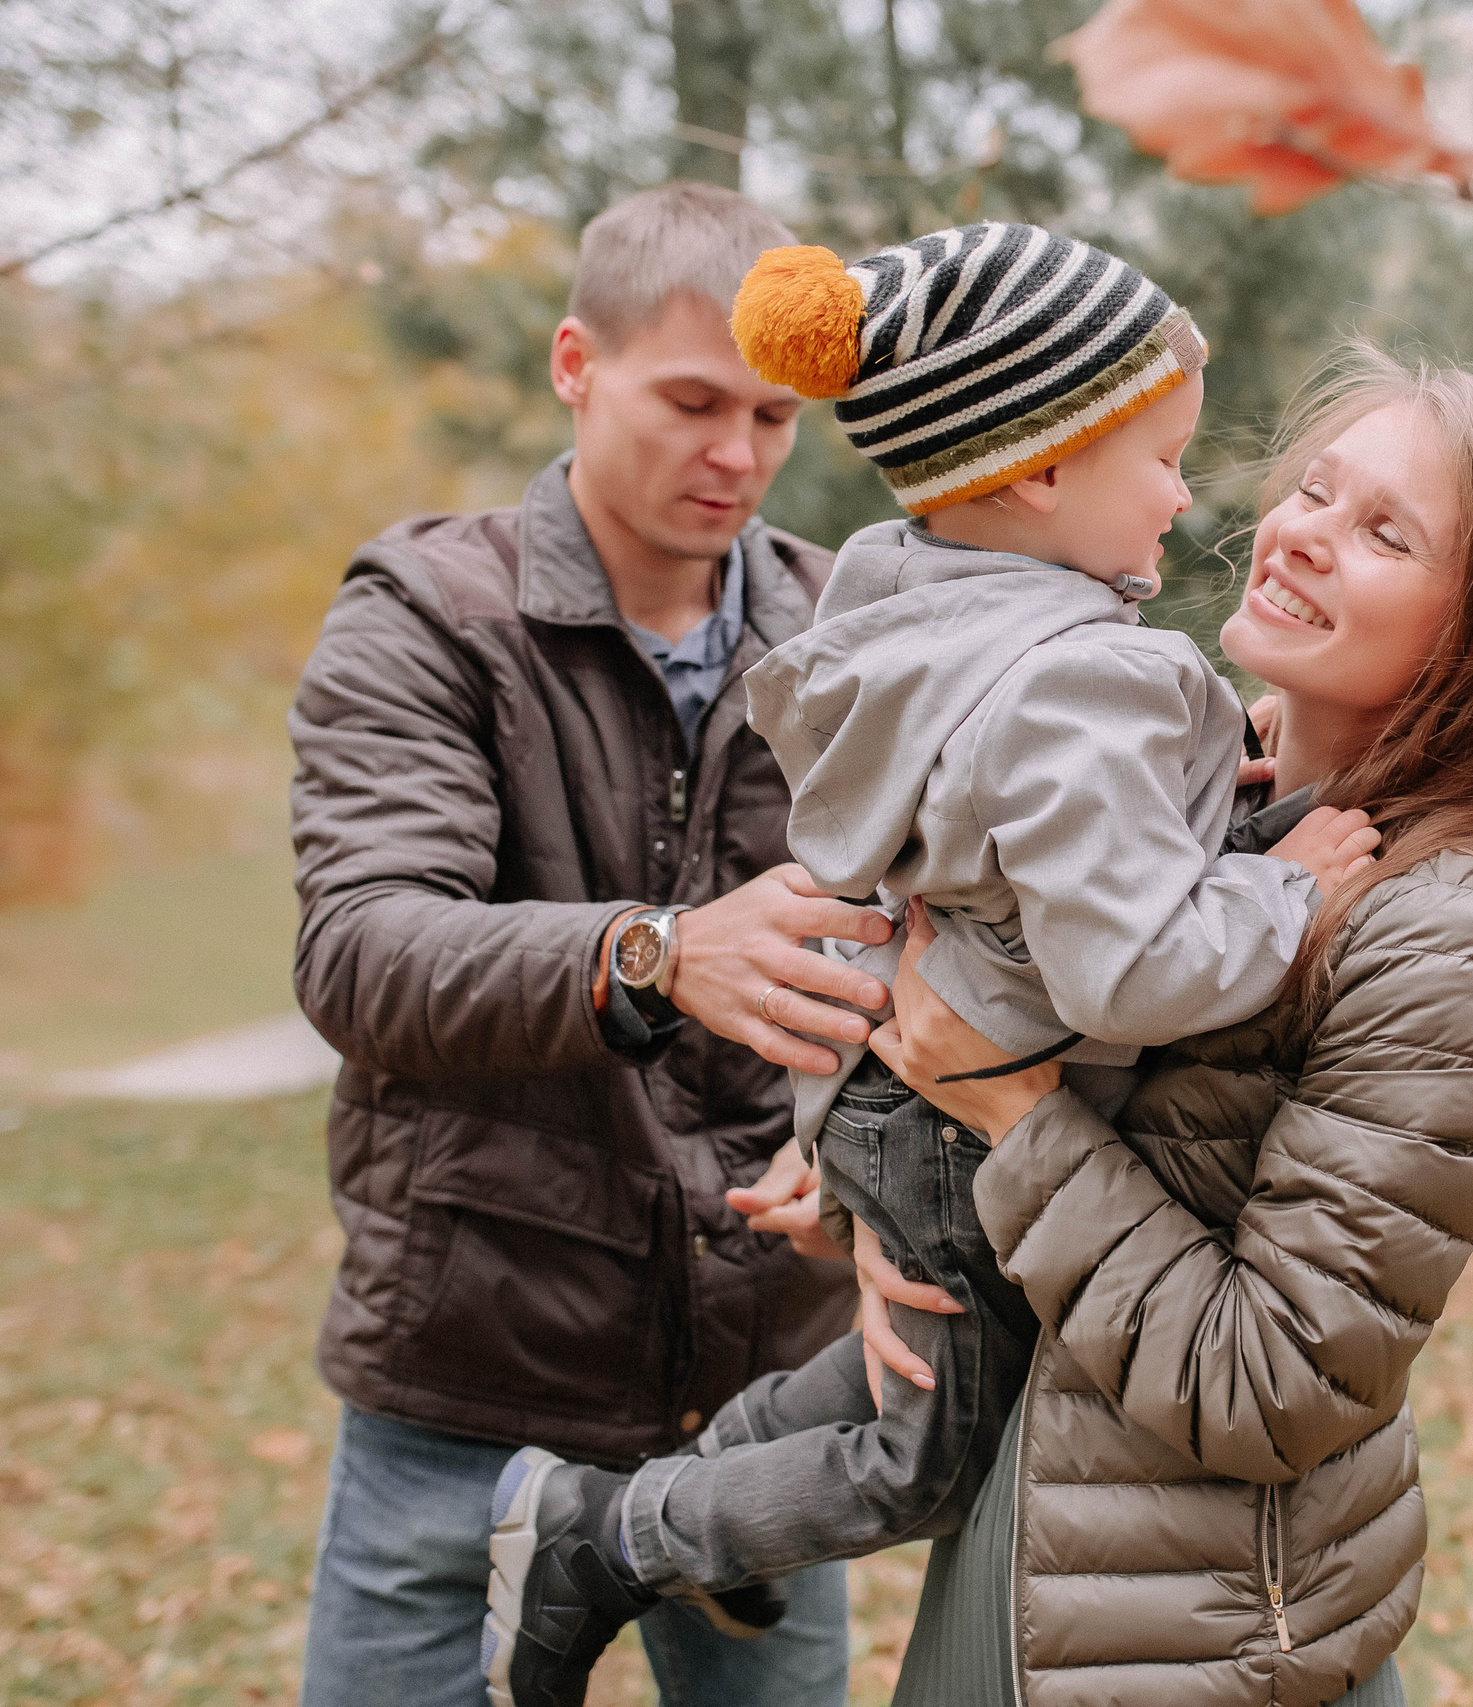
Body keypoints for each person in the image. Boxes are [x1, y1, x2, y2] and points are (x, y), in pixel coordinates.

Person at [479, 222, 1385, 1707]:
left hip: (903, 1081)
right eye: (1161, 455)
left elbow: (1007, 837)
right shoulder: (1098, 669)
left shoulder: (905, 605)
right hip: (975, 1101)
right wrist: (1280, 894)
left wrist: (1209, 780)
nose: (1185, 489)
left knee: (908, 1366)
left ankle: (723, 1513)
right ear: (1038, 470)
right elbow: (1127, 972)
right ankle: (610, 1536)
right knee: (929, 1456)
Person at [851, 343, 1473, 1706]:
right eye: (1317, 491)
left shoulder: (1434, 936)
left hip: (1195, 1640)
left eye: (1387, 533)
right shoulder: (1158, 798)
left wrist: (1011, 1117)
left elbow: (1274, 1383)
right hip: (1030, 1547)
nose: (1308, 537)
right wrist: (886, 1225)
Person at [287, 182, 891, 1707]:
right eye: (691, 402)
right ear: (575, 363)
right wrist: (655, 953)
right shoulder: (425, 616)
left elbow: (930, 947)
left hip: (767, 1398)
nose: (734, 457)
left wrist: (866, 1147)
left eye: (770, 417)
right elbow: (363, 953)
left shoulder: (853, 632)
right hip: (472, 1370)